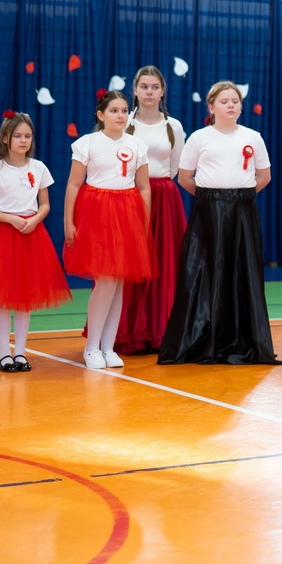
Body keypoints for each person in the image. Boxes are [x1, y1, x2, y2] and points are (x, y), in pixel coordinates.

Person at [160, 81, 282, 366]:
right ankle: (206, 341)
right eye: (224, 101)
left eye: (235, 101)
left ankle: (243, 341)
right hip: (209, 213)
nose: (231, 105)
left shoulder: (253, 137)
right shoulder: (199, 138)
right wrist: (213, 199)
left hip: (243, 213)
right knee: (207, 273)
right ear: (211, 107)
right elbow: (185, 178)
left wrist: (239, 197)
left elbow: (264, 176)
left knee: (242, 272)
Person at [0, 112, 70, 372]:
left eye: (27, 136)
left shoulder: (39, 168)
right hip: (2, 237)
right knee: (3, 299)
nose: (23, 140)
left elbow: (45, 205)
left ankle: (21, 353)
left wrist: (34, 219)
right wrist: (11, 219)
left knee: (24, 298)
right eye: (17, 136)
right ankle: (4, 354)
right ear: (6, 138)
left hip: (30, 235)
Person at [64, 89, 154, 370]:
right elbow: (74, 184)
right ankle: (91, 347)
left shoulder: (137, 145)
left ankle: (108, 347)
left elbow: (144, 187)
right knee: (104, 281)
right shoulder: (87, 143)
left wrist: (143, 222)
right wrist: (69, 220)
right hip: (97, 215)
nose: (121, 115)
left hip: (127, 215)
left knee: (118, 284)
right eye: (114, 111)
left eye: (125, 110)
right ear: (101, 115)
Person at [113, 65, 188, 355]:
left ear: (162, 91)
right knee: (130, 265)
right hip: (130, 198)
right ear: (135, 90)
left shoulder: (174, 126)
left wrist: (156, 186)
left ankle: (162, 331)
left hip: (165, 199)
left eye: (155, 87)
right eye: (144, 86)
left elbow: (175, 167)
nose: (149, 92)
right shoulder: (125, 122)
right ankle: (128, 330)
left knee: (164, 263)